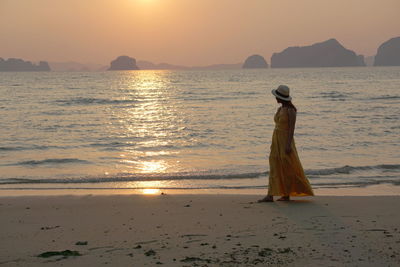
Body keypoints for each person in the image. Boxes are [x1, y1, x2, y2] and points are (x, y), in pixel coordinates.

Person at [259, 85, 314, 202]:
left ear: (281, 98)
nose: (275, 99)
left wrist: (288, 144)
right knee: (274, 165)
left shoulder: (291, 111)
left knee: (288, 167)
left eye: (277, 97)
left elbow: (291, 129)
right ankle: (270, 195)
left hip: (285, 140)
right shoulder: (280, 109)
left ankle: (286, 194)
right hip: (276, 139)